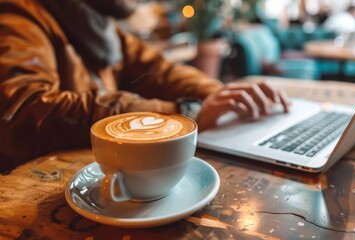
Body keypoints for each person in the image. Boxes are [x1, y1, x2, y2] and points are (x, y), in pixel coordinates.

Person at [0, 0, 290, 171]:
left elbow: (158, 70)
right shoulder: (18, 15)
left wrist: (218, 93)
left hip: (105, 169)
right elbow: (26, 110)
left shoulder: (101, 25)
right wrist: (184, 111)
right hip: (41, 189)